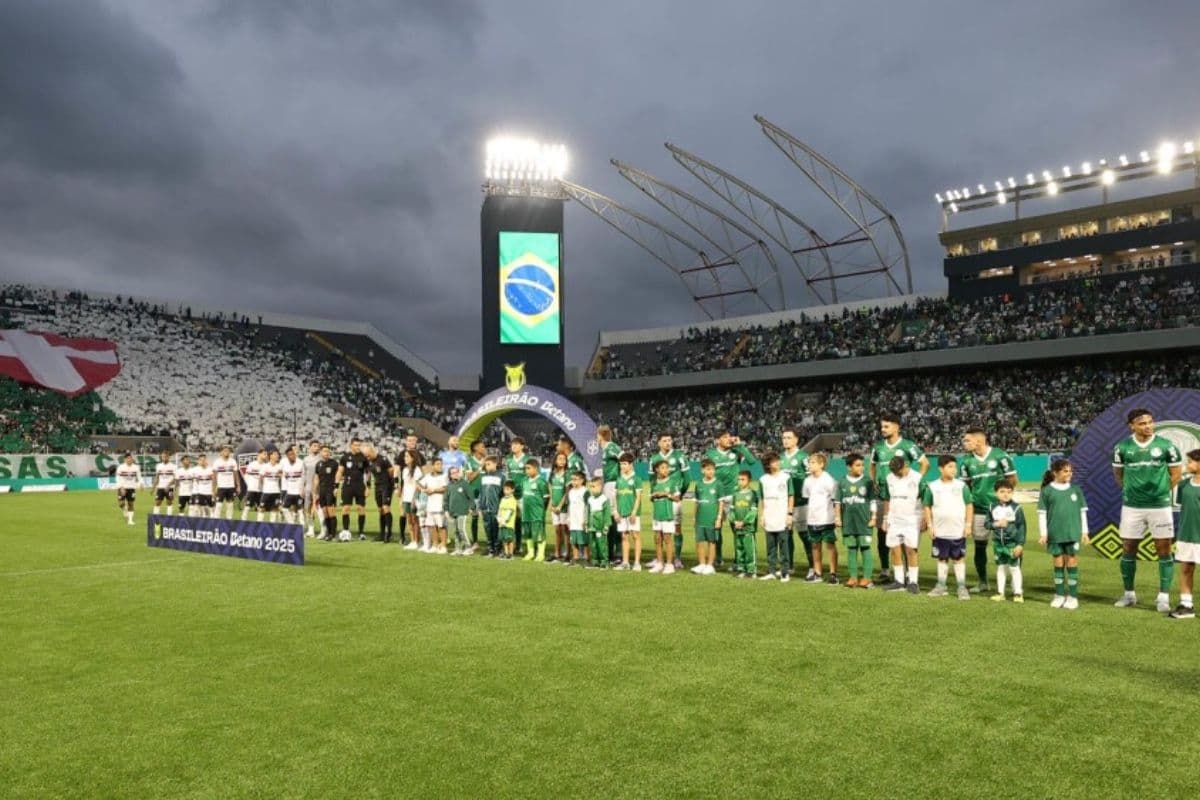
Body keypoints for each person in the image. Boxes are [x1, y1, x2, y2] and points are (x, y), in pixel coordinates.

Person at [1111, 408, 1182, 611]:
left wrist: (1160, 491)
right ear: (1131, 425)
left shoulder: (1166, 446)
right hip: (1132, 507)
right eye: (1142, 423)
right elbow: (1118, 474)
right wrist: (1130, 491)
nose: (1148, 426)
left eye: (1150, 422)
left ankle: (1163, 597)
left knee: (1164, 549)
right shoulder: (1122, 447)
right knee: (1128, 548)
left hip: (1160, 506)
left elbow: (1176, 474)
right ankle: (1129, 594)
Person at [869, 414, 929, 582]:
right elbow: (872, 466)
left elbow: (925, 464)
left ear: (897, 427)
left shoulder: (908, 445)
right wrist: (874, 481)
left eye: (886, 426)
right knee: (884, 535)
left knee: (906, 538)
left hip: (904, 499)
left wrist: (915, 482)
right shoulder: (878, 447)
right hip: (884, 498)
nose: (883, 429)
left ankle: (909, 573)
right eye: (882, 427)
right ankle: (885, 570)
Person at [960, 427, 1017, 594]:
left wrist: (1004, 500)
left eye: (967, 440)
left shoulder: (1000, 456)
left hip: (1000, 508)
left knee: (1008, 545)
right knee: (979, 546)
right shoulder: (966, 462)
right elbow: (966, 487)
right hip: (978, 509)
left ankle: (1014, 581)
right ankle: (983, 581)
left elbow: (1012, 479)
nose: (965, 443)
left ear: (979, 440)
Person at [1038, 458, 1089, 610]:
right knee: (1058, 563)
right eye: (1066, 471)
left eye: (1070, 471)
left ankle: (1073, 597)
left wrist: (1085, 532)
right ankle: (1059, 595)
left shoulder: (1076, 490)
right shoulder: (1047, 491)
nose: (1069, 474)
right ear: (1055, 473)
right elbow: (1042, 513)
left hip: (1072, 533)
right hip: (1055, 533)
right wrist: (1043, 534)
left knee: (1072, 562)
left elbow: (1082, 512)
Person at [922, 455, 974, 600]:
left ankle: (962, 587)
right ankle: (941, 586)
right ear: (940, 468)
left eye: (955, 467)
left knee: (959, 558)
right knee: (942, 558)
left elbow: (969, 505)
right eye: (950, 467)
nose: (954, 470)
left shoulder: (961, 486)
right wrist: (930, 525)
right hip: (940, 531)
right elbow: (927, 506)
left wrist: (968, 525)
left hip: (958, 531)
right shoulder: (932, 486)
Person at [705, 431, 754, 571]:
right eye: (724, 437)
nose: (728, 439)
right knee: (716, 528)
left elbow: (752, 461)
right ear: (717, 440)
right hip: (717, 496)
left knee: (737, 528)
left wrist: (741, 446)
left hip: (733, 496)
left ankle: (739, 560)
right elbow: (707, 473)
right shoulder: (710, 454)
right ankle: (717, 558)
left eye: (729, 436)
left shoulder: (736, 451)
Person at [880, 455, 923, 594]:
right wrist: (886, 519)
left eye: (898, 471)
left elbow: (926, 499)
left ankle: (913, 582)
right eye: (893, 472)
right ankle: (898, 581)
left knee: (911, 550)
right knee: (894, 549)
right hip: (894, 518)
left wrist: (925, 519)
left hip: (912, 518)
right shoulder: (889, 478)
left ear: (905, 466)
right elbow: (887, 499)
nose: (896, 474)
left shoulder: (917, 478)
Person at [648, 433, 690, 570]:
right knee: (658, 531)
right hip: (660, 499)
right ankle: (659, 559)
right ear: (659, 443)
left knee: (676, 528)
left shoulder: (679, 456)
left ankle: (676, 558)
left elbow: (687, 478)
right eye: (664, 441)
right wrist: (654, 493)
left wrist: (679, 494)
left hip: (674, 498)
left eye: (670, 440)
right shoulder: (654, 458)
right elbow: (651, 480)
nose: (668, 443)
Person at [835, 453, 876, 588]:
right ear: (849, 467)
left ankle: (867, 578)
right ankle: (853, 578)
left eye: (862, 465)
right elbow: (838, 502)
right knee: (851, 549)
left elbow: (873, 501)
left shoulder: (867, 481)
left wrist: (874, 517)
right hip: (848, 522)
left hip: (864, 521)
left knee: (865, 548)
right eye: (858, 465)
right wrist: (837, 518)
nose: (862, 468)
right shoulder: (842, 482)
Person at [1169, 449, 1200, 618]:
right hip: (1186, 535)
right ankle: (1186, 606)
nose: (1187, 465)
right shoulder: (1184, 484)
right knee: (1186, 569)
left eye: (1191, 462)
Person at [986, 478, 1027, 603]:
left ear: (1012, 493)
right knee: (1001, 567)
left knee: (1014, 568)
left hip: (1012, 544)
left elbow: (1022, 527)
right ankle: (1000, 593)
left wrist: (1020, 544)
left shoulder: (1017, 508)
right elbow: (987, 524)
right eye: (1002, 491)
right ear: (996, 493)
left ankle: (1018, 593)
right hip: (998, 544)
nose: (1005, 494)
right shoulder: (992, 506)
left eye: (1009, 492)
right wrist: (996, 524)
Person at [802, 452, 838, 584]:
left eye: (813, 463)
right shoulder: (807, 481)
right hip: (812, 519)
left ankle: (833, 574)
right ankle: (818, 573)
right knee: (815, 546)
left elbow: (835, 500)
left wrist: (837, 517)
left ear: (821, 464)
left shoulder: (829, 480)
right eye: (809, 462)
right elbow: (807, 498)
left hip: (827, 518)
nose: (809, 465)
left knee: (830, 545)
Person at [757, 452, 794, 582]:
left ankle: (785, 572)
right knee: (770, 547)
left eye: (778, 460)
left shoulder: (786, 477)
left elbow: (791, 496)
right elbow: (761, 499)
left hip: (782, 516)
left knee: (784, 546)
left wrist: (789, 514)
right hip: (769, 516)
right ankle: (772, 571)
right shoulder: (763, 480)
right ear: (767, 464)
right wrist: (762, 515)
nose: (777, 463)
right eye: (774, 461)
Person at [779, 427, 810, 581]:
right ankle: (789, 565)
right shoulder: (780, 458)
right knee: (786, 535)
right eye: (784, 438)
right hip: (785, 504)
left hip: (802, 502)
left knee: (805, 535)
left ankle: (812, 567)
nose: (785, 440)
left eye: (789, 437)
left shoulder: (803, 456)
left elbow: (811, 477)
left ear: (796, 439)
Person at [647, 459, 681, 575]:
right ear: (656, 469)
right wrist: (654, 496)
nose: (666, 470)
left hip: (667, 515)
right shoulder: (654, 483)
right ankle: (659, 563)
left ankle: (669, 564)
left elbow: (677, 498)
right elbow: (650, 498)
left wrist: (666, 494)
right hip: (657, 515)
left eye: (667, 468)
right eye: (663, 468)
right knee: (657, 539)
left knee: (667, 539)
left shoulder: (672, 482)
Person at [596, 425, 624, 564]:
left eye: (597, 435)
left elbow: (624, 458)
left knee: (614, 516)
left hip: (613, 484)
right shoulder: (604, 449)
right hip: (607, 484)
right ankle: (612, 551)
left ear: (601, 435)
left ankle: (618, 552)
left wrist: (623, 476)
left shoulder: (611, 446)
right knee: (608, 517)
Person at [690, 459, 722, 575]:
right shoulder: (698, 484)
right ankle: (702, 564)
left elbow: (721, 502)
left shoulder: (718, 484)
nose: (711, 472)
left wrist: (719, 518)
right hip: (700, 518)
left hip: (712, 518)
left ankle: (710, 565)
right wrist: (694, 517)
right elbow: (696, 502)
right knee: (699, 541)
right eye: (708, 469)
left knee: (711, 542)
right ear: (702, 470)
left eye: (713, 469)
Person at [336, 438, 369, 541]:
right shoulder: (344, 457)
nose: (358, 447)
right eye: (356, 445)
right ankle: (346, 531)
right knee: (346, 508)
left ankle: (361, 533)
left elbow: (367, 473)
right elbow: (340, 472)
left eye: (359, 445)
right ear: (351, 445)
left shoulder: (363, 457)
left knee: (361, 509)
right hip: (347, 485)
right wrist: (336, 486)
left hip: (360, 485)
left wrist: (368, 487)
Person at [614, 453, 642, 571]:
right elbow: (615, 496)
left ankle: (636, 563)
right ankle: (625, 563)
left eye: (625, 464)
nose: (622, 466)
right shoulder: (619, 479)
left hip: (632, 513)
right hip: (621, 513)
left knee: (635, 535)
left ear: (631, 465)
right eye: (621, 464)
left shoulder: (636, 479)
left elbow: (638, 497)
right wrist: (615, 511)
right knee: (624, 537)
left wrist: (634, 512)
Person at [730, 470, 759, 579]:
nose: (740, 482)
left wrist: (744, 522)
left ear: (749, 480)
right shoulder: (735, 494)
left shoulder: (752, 494)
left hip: (748, 528)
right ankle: (741, 569)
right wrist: (734, 521)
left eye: (743, 479)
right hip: (737, 527)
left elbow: (753, 511)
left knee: (749, 550)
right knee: (739, 549)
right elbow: (731, 510)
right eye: (739, 479)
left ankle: (752, 570)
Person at [520, 459, 551, 562]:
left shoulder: (541, 482)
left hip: (537, 512)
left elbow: (546, 497)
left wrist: (542, 510)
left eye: (529, 468)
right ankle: (530, 552)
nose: (527, 471)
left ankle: (540, 554)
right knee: (528, 533)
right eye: (526, 468)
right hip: (526, 512)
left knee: (538, 534)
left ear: (536, 468)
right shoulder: (524, 481)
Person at [506, 437, 531, 555]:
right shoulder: (508, 459)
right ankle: (515, 545)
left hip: (523, 495)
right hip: (511, 495)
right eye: (512, 444)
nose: (513, 446)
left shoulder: (527, 459)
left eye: (516, 444)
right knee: (512, 520)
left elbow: (530, 477)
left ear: (522, 446)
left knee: (524, 520)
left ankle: (528, 546)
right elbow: (508, 476)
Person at [366, 445, 395, 542]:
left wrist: (391, 484)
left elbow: (391, 470)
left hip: (386, 486)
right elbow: (369, 473)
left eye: (368, 455)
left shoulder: (383, 459)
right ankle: (382, 534)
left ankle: (389, 533)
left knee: (386, 508)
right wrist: (368, 486)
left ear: (372, 452)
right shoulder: (370, 462)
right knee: (380, 510)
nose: (367, 457)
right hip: (377, 487)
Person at [477, 456, 504, 558]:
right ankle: (490, 548)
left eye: (489, 464)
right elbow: (481, 492)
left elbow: (503, 493)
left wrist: (501, 507)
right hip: (485, 508)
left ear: (495, 464)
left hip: (496, 508)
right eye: (485, 465)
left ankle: (497, 548)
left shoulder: (501, 476)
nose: (487, 466)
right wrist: (480, 507)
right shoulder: (483, 477)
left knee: (496, 528)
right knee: (488, 528)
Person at [312, 445, 341, 541]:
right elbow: (316, 479)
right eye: (324, 451)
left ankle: (333, 534)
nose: (327, 453)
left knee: (331, 511)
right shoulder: (318, 464)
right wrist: (315, 492)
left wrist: (336, 487)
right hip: (322, 491)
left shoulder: (334, 463)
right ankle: (328, 533)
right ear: (321, 452)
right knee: (325, 512)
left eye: (328, 451)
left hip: (330, 490)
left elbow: (338, 476)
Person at [421, 457, 448, 554]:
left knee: (442, 526)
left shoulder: (444, 476)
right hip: (430, 505)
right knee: (431, 526)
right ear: (432, 466)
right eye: (437, 464)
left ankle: (444, 546)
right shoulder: (428, 476)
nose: (440, 466)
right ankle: (435, 545)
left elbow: (445, 489)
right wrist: (424, 490)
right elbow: (419, 484)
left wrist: (433, 490)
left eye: (441, 464)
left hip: (440, 505)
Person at [399, 449, 424, 549]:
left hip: (414, 499)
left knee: (415, 520)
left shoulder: (417, 470)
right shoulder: (405, 470)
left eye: (407, 456)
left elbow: (418, 486)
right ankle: (413, 540)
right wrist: (402, 498)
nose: (405, 458)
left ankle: (417, 541)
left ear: (413, 458)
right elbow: (405, 485)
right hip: (406, 498)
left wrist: (414, 499)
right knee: (409, 520)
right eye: (405, 456)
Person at [446, 465, 474, 555]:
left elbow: (471, 497)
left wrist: (471, 507)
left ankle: (468, 547)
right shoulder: (449, 485)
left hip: (462, 511)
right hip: (452, 511)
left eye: (456, 472)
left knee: (461, 529)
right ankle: (458, 549)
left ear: (459, 473)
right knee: (455, 531)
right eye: (452, 473)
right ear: (450, 475)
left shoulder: (464, 483)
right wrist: (446, 510)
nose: (455, 474)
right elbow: (445, 499)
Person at [548, 452, 570, 562]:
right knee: (557, 530)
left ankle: (567, 553)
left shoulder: (567, 474)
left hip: (563, 507)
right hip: (554, 507)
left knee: (564, 529)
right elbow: (551, 490)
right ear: (555, 461)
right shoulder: (552, 474)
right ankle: (557, 553)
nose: (562, 461)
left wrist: (560, 506)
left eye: (564, 459)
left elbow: (567, 492)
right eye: (559, 459)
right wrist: (551, 504)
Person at [465, 440, 488, 546]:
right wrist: (480, 467)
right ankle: (475, 541)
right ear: (475, 448)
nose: (484, 448)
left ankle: (490, 542)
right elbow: (470, 478)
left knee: (487, 517)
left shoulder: (487, 461)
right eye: (482, 447)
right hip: (474, 494)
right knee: (475, 517)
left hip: (486, 493)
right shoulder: (469, 461)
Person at [585, 476, 611, 569]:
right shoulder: (590, 499)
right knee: (593, 544)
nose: (592, 489)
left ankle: (604, 562)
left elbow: (607, 513)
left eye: (594, 486)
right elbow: (587, 512)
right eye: (590, 486)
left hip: (600, 526)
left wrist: (606, 525)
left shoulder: (604, 499)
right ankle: (595, 561)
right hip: (592, 526)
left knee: (602, 544)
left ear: (600, 487)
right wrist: (586, 524)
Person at [566, 471, 589, 566]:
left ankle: (587, 558)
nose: (573, 482)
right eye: (572, 480)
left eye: (575, 480)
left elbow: (588, 506)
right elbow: (569, 506)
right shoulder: (571, 492)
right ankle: (575, 558)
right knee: (573, 540)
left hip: (581, 520)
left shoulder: (585, 491)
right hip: (573, 520)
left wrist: (586, 520)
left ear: (582, 480)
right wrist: (568, 518)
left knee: (584, 541)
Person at [212, 445, 241, 520]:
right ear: (221, 452)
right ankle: (216, 520)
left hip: (231, 487)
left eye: (228, 451)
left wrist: (238, 486)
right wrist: (213, 489)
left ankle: (229, 521)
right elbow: (214, 477)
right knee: (218, 506)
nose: (226, 452)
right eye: (224, 451)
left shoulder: (233, 461)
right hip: (221, 487)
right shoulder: (217, 462)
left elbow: (236, 474)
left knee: (230, 506)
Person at [302, 440, 322, 538]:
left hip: (319, 488)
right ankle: (311, 529)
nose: (316, 447)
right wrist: (302, 487)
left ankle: (324, 529)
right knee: (307, 509)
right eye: (314, 446)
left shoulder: (321, 459)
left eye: (318, 446)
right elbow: (303, 475)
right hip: (308, 488)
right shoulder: (305, 459)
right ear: (310, 447)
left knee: (319, 509)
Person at [281, 446, 306, 525]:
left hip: (299, 492)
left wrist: (303, 489)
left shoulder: (301, 463)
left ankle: (302, 527)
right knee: (284, 508)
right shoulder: (285, 464)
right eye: (290, 455)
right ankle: (291, 524)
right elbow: (283, 475)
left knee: (300, 510)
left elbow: (304, 477)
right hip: (289, 491)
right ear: (287, 456)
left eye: (293, 454)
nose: (292, 456)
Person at [116, 453, 142, 526]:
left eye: (130, 458)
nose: (129, 459)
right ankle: (124, 509)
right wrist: (121, 487)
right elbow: (118, 478)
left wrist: (141, 484)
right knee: (121, 503)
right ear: (125, 459)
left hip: (131, 488)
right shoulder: (120, 467)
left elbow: (139, 477)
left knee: (131, 504)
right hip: (122, 487)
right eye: (128, 458)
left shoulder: (136, 467)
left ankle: (130, 520)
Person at [241, 449, 266, 521]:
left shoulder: (265, 466)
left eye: (266, 454)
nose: (265, 455)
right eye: (264, 454)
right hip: (252, 489)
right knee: (247, 506)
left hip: (261, 490)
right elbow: (246, 476)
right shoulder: (252, 464)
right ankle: (243, 521)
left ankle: (260, 523)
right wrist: (250, 485)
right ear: (259, 454)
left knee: (261, 507)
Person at [259, 450, 283, 523]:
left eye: (278, 454)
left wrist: (280, 475)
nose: (277, 456)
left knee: (274, 509)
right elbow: (261, 478)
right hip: (266, 491)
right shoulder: (264, 466)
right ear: (271, 456)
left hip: (276, 491)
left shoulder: (280, 466)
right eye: (275, 454)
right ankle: (259, 524)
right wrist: (264, 488)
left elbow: (282, 478)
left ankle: (272, 525)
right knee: (262, 508)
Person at [497, 481, 519, 560]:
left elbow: (510, 511)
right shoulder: (503, 499)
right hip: (501, 524)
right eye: (504, 489)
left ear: (512, 490)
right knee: (504, 540)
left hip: (509, 524)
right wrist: (499, 518)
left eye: (507, 489)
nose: (505, 491)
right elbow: (500, 509)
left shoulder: (512, 500)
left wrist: (505, 520)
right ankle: (506, 553)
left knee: (510, 539)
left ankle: (511, 554)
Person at [151, 451, 176, 515]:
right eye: (163, 457)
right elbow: (157, 477)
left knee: (169, 502)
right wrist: (153, 487)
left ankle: (169, 517)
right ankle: (156, 517)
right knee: (157, 502)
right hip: (160, 487)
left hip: (170, 488)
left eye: (165, 457)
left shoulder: (173, 466)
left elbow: (175, 478)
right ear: (161, 457)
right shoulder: (158, 466)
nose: (164, 458)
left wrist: (168, 485)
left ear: (168, 457)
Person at [191, 454, 215, 519]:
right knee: (199, 509)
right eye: (201, 460)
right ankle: (201, 523)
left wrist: (213, 491)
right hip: (200, 493)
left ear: (206, 460)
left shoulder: (211, 469)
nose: (202, 461)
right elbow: (194, 481)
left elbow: (214, 481)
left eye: (204, 460)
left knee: (211, 510)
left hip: (209, 493)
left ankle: (212, 523)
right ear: (198, 461)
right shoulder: (195, 470)